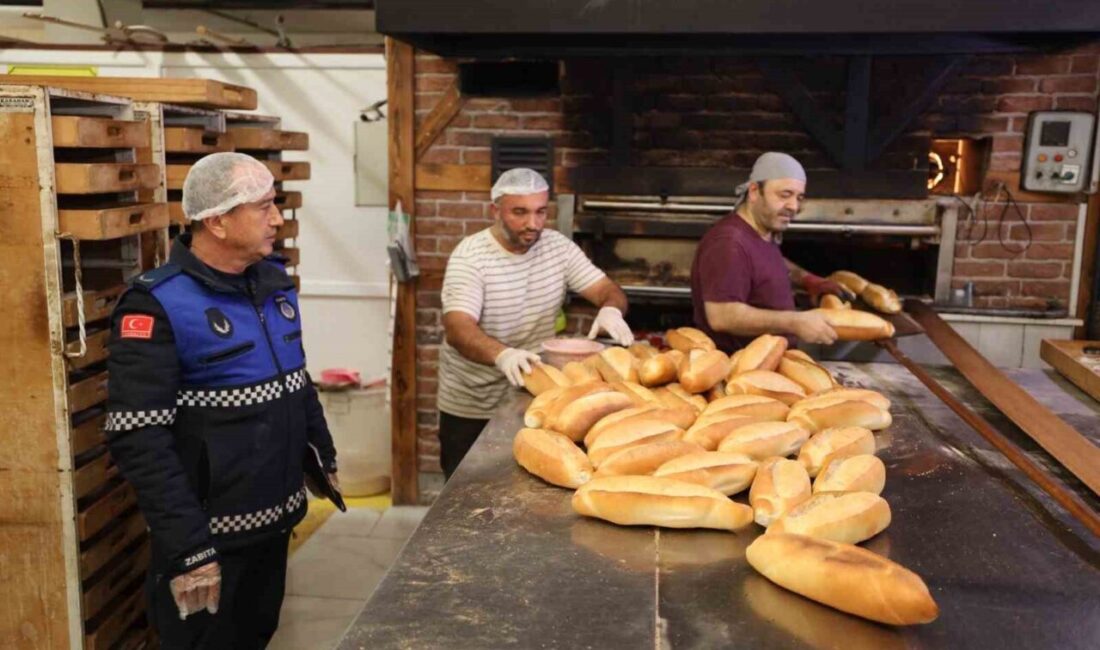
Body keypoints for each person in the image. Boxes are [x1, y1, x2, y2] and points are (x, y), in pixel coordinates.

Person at [105, 152, 339, 649]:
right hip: (209, 543)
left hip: (273, 529)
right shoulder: (158, 303)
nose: (277, 219)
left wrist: (323, 455)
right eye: (263, 207)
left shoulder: (272, 282)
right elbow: (138, 436)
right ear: (217, 221)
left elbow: (295, 380)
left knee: (257, 635)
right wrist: (191, 549)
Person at [437, 168, 633, 479]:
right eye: (520, 212)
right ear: (495, 210)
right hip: (474, 402)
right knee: (467, 492)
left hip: (534, 395)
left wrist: (611, 309)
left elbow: (608, 291)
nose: (533, 224)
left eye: (541, 212)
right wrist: (503, 354)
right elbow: (459, 329)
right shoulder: (471, 257)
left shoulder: (556, 247)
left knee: (522, 485)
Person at [691, 152, 853, 353]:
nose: (794, 206)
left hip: (771, 363)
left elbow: (763, 263)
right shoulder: (728, 243)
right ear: (753, 191)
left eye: (799, 197)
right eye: (784, 195)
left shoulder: (760, 232)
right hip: (739, 372)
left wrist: (808, 279)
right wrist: (795, 322)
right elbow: (723, 316)